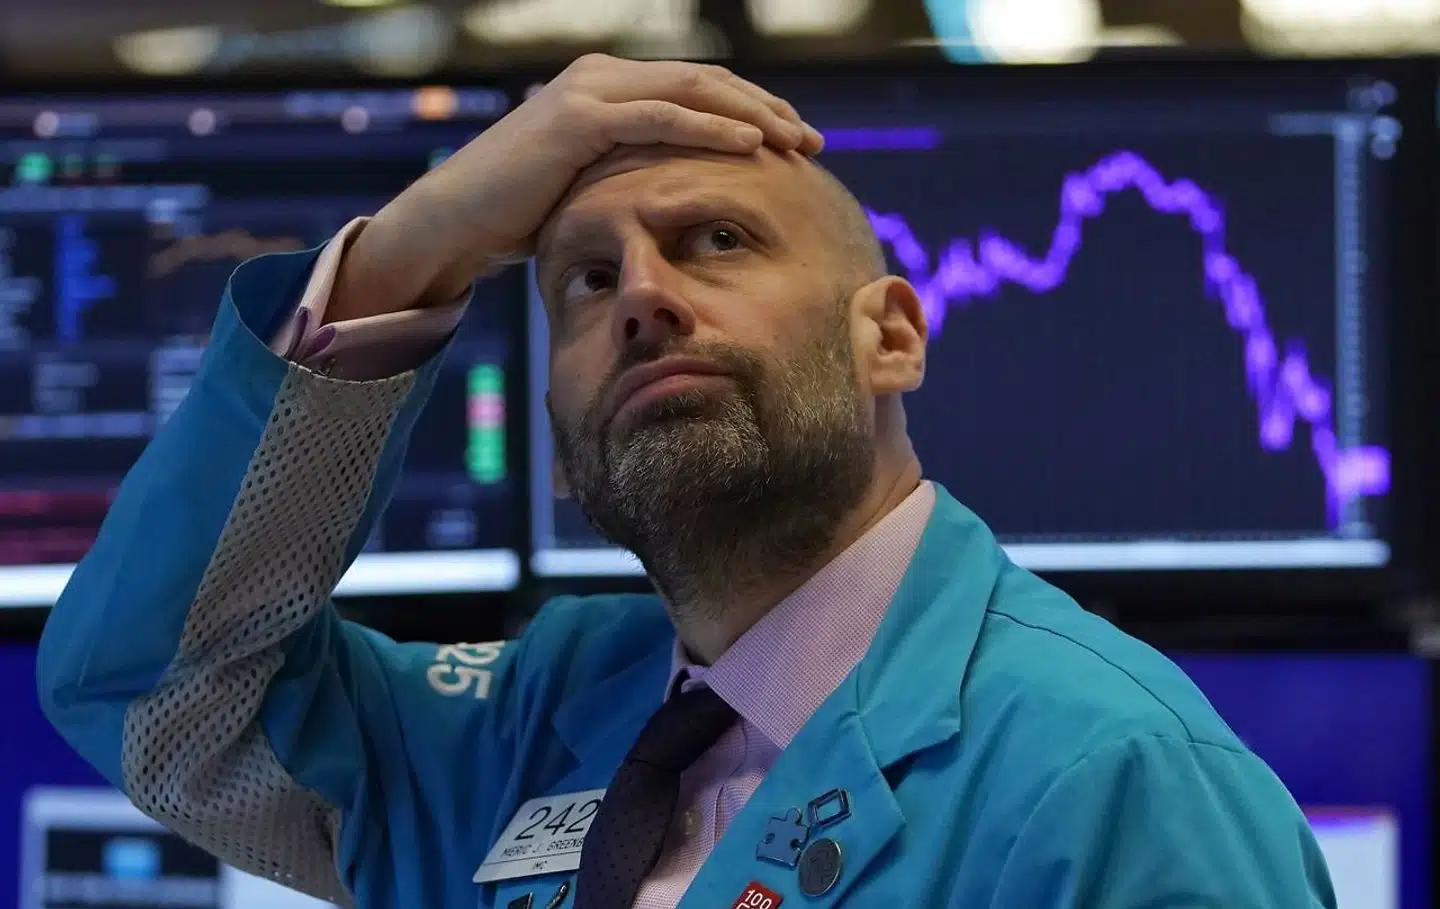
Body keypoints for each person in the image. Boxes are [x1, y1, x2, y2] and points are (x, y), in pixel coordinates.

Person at [38, 55, 1335, 909]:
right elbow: (155, 691)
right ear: (557, 423)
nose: (643, 298)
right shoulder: (526, 720)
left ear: (891, 336)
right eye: (586, 280)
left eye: (717, 241)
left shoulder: (1109, 779)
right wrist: (411, 248)